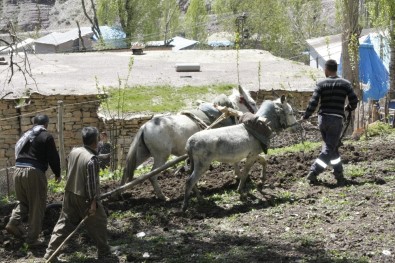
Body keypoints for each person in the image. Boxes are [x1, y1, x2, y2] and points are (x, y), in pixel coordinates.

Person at [44, 127, 111, 261]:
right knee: (99, 221)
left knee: (63, 223)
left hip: (69, 193)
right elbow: (91, 184)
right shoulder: (92, 160)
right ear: (95, 141)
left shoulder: (75, 151)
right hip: (85, 197)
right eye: (98, 139)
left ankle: (50, 253)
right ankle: (104, 251)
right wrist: (93, 203)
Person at [6, 114, 61, 246]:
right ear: (46, 124)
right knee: (38, 205)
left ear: (34, 124)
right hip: (34, 172)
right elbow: (53, 156)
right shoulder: (46, 136)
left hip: (18, 170)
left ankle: (13, 222)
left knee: (23, 202)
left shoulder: (25, 136)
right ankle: (32, 239)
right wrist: (57, 173)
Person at [301, 59, 359, 186]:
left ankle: (339, 173)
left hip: (322, 120)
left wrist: (306, 115)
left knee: (331, 147)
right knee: (329, 147)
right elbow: (354, 100)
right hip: (336, 119)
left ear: (326, 70)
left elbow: (313, 102)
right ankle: (314, 171)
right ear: (336, 69)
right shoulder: (345, 83)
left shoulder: (321, 83)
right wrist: (348, 108)